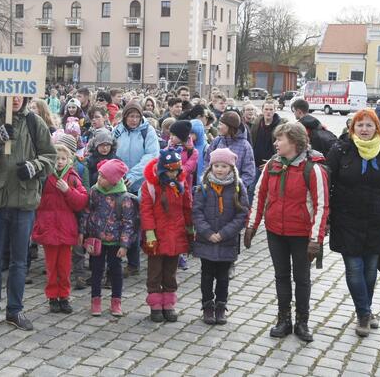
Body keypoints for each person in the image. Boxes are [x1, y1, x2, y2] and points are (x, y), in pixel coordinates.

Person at [0, 96, 56, 333]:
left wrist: (34, 167)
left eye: (20, 93)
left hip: (23, 200)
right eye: (10, 93)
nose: (15, 98)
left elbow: (50, 156)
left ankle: (15, 310)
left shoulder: (35, 122)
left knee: (20, 261)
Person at [244, 122, 329, 343]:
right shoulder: (273, 164)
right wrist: (252, 225)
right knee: (281, 276)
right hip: (275, 231)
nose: (275, 143)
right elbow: (259, 196)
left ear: (294, 142)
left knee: (302, 279)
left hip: (301, 234)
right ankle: (283, 319)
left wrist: (315, 240)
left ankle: (302, 322)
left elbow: (322, 206)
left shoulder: (313, 168)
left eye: (279, 139)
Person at [325, 109, 380, 336]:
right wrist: (326, 218)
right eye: (360, 125)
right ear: (352, 128)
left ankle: (365, 309)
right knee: (354, 268)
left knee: (370, 269)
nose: (365, 130)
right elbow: (328, 185)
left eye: (369, 125)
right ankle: (364, 314)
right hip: (346, 218)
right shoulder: (340, 150)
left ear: (377, 128)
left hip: (376, 219)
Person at [192, 148, 249, 325]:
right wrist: (208, 232)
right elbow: (197, 212)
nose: (219, 169)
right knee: (207, 274)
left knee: (223, 276)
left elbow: (242, 213)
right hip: (206, 240)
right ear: (211, 166)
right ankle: (207, 305)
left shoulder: (237, 186)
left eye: (223, 166)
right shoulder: (204, 186)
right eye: (216, 165)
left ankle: (221, 306)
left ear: (231, 167)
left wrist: (224, 233)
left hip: (227, 241)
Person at [32, 142, 88, 313]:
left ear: (69, 160)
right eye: (56, 159)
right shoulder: (44, 177)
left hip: (65, 228)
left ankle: (64, 296)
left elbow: (82, 201)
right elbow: (35, 199)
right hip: (48, 227)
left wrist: (67, 191)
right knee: (51, 266)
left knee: (64, 266)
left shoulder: (72, 177)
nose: (59, 162)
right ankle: (52, 297)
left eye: (63, 159)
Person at [78, 159, 136, 317]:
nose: (99, 178)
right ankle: (95, 301)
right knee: (96, 271)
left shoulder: (123, 197)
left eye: (103, 176)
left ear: (112, 180)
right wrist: (84, 235)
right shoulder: (94, 191)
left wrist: (124, 245)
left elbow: (128, 222)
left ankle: (116, 301)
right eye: (100, 175)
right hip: (96, 240)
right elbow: (86, 213)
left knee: (115, 271)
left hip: (116, 242)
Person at [141, 148, 193, 322]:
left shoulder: (181, 183)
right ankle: (155, 304)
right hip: (156, 234)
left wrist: (190, 228)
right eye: (170, 170)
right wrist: (149, 233)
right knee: (155, 271)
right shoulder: (150, 185)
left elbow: (187, 207)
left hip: (176, 233)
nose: (173, 173)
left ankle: (168, 303)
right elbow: (146, 210)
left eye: (176, 170)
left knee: (171, 271)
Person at [113, 101, 160, 276]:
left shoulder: (148, 131)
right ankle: (116, 259)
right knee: (119, 221)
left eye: (137, 117)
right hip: (120, 181)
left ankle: (133, 263)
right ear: (125, 117)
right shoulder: (117, 130)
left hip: (140, 183)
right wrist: (118, 173)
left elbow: (151, 155)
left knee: (133, 222)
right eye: (130, 116)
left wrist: (132, 175)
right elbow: (113, 152)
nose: (134, 120)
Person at [204, 111, 256, 191]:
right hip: (214, 189)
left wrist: (238, 187)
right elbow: (207, 161)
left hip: (234, 193)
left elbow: (249, 172)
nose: (218, 127)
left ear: (230, 127)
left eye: (221, 124)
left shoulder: (245, 146)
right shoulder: (217, 141)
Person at [250, 100, 287, 198]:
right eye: (266, 109)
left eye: (271, 109)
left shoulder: (281, 126)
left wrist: (271, 162)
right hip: (256, 165)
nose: (268, 112)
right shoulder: (256, 124)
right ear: (262, 110)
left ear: (275, 110)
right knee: (252, 190)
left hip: (272, 165)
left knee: (270, 192)